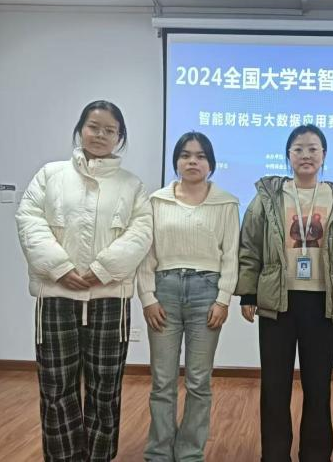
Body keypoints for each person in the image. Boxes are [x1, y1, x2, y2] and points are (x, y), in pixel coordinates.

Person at [15, 100, 153, 461]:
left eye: (110, 130)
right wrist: (60, 267)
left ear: (119, 137)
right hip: (56, 294)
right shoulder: (50, 175)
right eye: (94, 127)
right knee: (56, 387)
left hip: (110, 298)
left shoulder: (132, 185)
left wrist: (102, 270)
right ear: (80, 129)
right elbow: (29, 220)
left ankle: (98, 456)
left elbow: (141, 232)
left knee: (105, 389)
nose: (100, 135)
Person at [236, 125, 333, 462]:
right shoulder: (268, 197)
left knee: (318, 386)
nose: (306, 155)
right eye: (299, 149)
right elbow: (249, 247)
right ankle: (275, 455)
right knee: (274, 386)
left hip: (322, 302)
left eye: (313, 149)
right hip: (278, 301)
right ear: (288, 155)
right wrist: (248, 294)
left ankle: (316, 454)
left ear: (324, 155)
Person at [138, 131, 240, 461]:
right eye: (185, 155)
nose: (192, 161)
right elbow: (146, 254)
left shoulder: (226, 203)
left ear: (211, 163)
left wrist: (223, 299)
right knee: (162, 381)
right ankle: (158, 452)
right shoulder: (157, 201)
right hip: (164, 291)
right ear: (176, 161)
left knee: (198, 381)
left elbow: (231, 255)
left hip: (206, 293)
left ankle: (189, 453)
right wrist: (148, 297)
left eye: (200, 156)